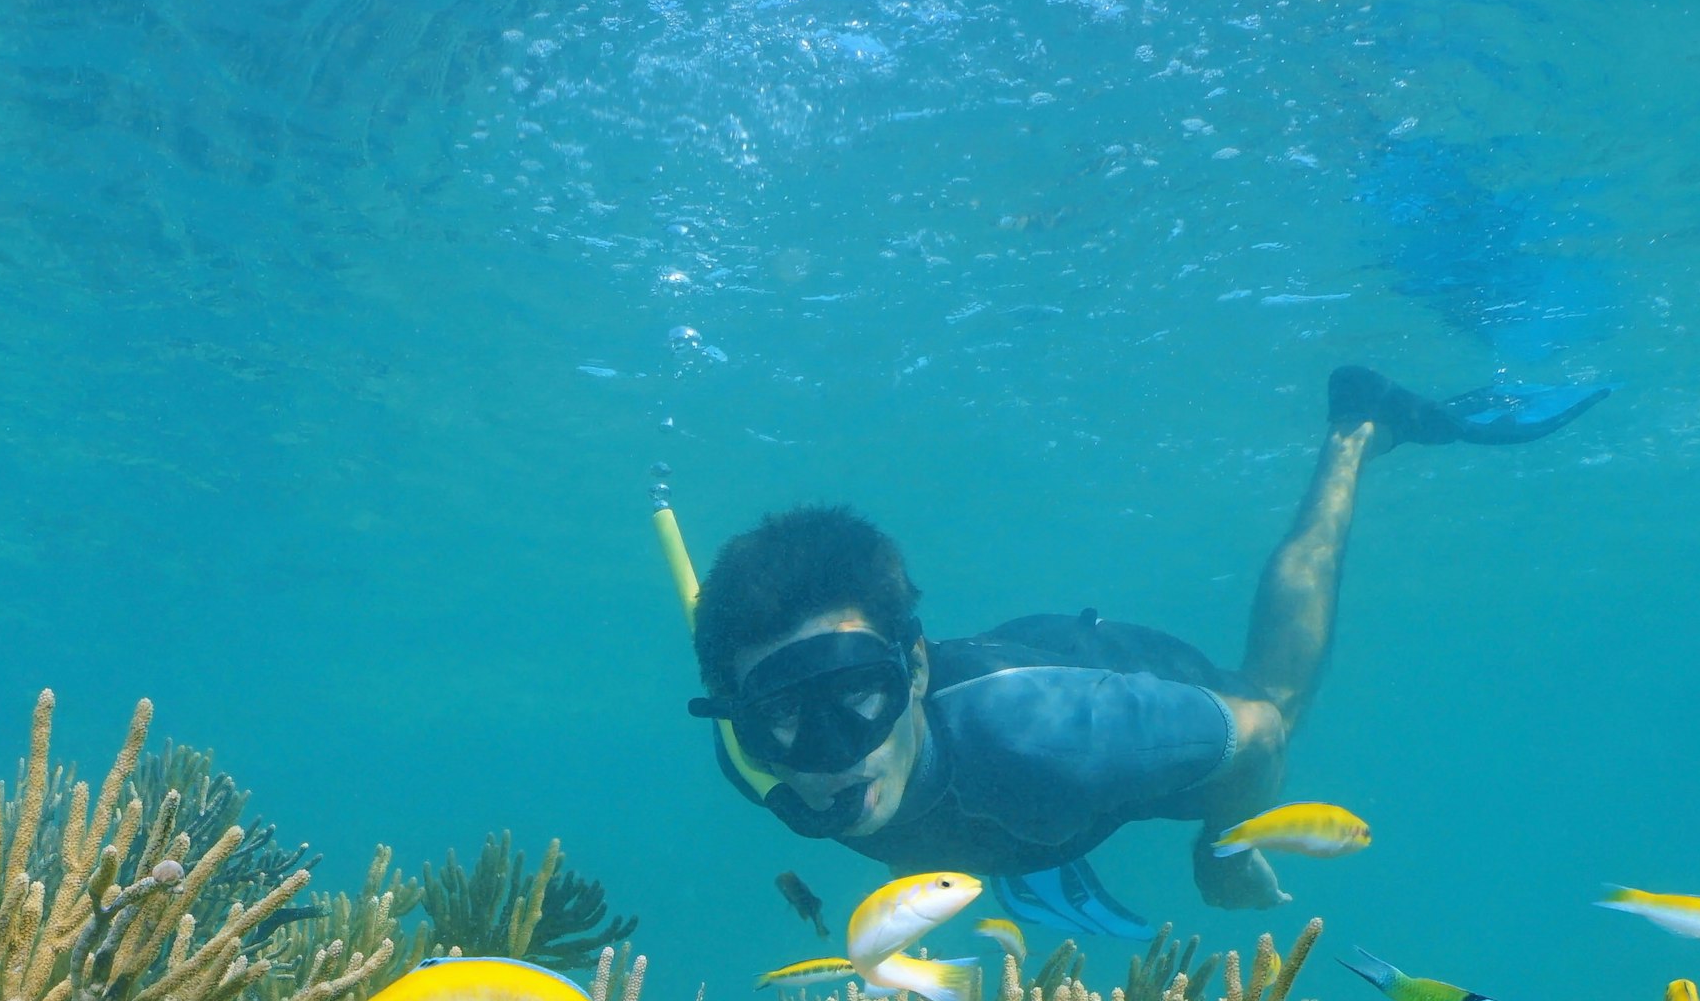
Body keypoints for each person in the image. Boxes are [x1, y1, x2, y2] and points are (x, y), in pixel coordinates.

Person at [684, 365, 1602, 931]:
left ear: (913, 670)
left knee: (1280, 700)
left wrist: (1225, 850)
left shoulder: (1057, 738)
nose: (829, 758)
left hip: (1101, 679)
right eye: (779, 722)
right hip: (1019, 783)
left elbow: (1258, 737)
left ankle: (1359, 427)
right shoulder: (749, 761)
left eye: (857, 698)